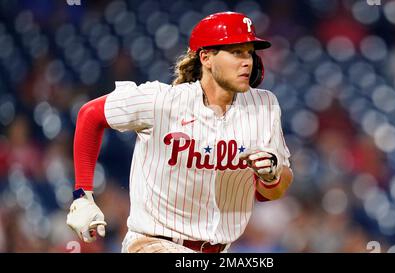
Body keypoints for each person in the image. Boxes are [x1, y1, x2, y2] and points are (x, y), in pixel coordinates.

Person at [66, 11, 293, 253]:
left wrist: (272, 176)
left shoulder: (264, 106)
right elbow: (90, 114)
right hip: (153, 243)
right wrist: (82, 194)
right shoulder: (163, 101)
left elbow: (273, 191)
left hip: (220, 248)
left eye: (249, 52)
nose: (247, 61)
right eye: (236, 52)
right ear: (206, 57)